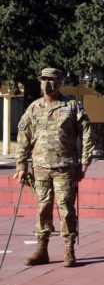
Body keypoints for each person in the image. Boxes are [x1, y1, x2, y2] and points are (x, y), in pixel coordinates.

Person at [14, 67, 93, 268]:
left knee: (66, 208)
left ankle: (69, 248)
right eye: (44, 80)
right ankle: (42, 250)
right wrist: (21, 165)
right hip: (40, 167)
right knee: (43, 208)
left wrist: (84, 162)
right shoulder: (33, 108)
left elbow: (86, 134)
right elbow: (24, 138)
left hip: (64, 167)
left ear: (60, 83)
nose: (48, 84)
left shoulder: (72, 106)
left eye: (52, 80)